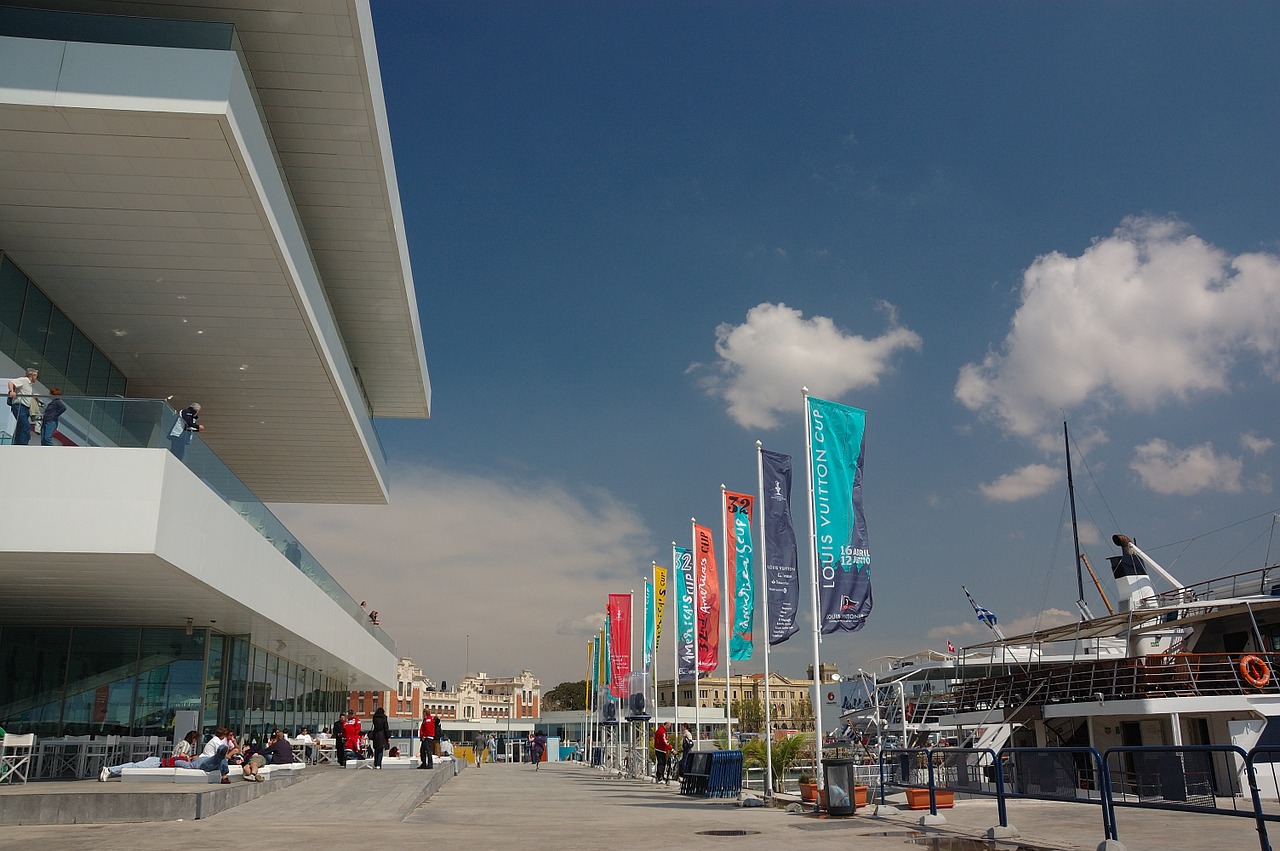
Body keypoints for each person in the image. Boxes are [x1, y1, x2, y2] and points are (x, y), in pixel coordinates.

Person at [98, 730, 200, 781]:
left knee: (135, 767)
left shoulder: (182, 742)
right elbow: (181, 756)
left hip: (159, 761)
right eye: (196, 740)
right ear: (193, 739)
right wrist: (190, 758)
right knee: (135, 767)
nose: (195, 742)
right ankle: (110, 770)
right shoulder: (187, 745)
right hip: (158, 762)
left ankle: (110, 772)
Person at [6, 367, 39, 446]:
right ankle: (22, 445)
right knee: (25, 426)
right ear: (32, 375)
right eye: (36, 376)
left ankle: (17, 444)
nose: (36, 379)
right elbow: (11, 382)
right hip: (20, 406)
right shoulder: (24, 380)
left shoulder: (29, 385)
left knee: (20, 426)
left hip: (25, 408)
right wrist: (11, 391)